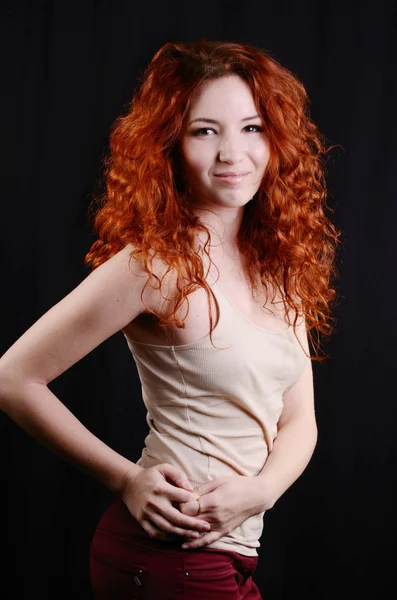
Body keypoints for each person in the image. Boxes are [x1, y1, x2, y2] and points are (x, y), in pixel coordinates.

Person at [0, 39, 340, 599]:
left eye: (252, 128)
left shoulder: (282, 264)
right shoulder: (154, 265)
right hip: (166, 556)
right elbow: (15, 378)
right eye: (205, 131)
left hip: (233, 554)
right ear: (171, 145)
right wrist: (127, 479)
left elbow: (300, 420)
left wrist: (263, 491)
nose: (233, 153)